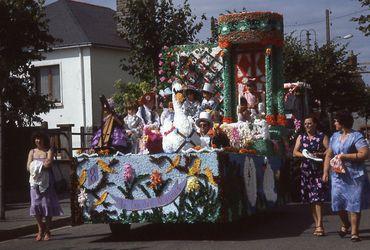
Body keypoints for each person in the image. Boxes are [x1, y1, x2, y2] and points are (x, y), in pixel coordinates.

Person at [323, 111, 370, 242]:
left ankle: (355, 232)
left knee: (354, 203)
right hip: (338, 175)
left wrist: (345, 156)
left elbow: (365, 154)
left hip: (354, 175)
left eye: (336, 121)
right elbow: (329, 154)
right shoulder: (334, 136)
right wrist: (325, 172)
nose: (334, 123)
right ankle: (345, 223)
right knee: (337, 202)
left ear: (342, 123)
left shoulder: (356, 136)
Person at [293, 116, 329, 236]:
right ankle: (317, 223)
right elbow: (295, 152)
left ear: (315, 124)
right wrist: (305, 156)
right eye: (305, 124)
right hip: (306, 171)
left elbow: (330, 151)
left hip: (318, 170)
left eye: (309, 123)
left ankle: (319, 225)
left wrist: (320, 154)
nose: (307, 125)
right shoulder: (301, 137)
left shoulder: (321, 136)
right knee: (311, 199)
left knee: (317, 197)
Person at [27, 131, 63, 241]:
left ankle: (47, 230)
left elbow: (48, 164)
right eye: (36, 139)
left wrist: (35, 165)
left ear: (44, 140)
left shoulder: (49, 151)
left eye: (40, 138)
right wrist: (39, 165)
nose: (38, 140)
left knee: (46, 205)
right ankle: (40, 230)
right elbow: (28, 166)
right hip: (34, 182)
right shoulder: (32, 152)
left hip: (47, 183)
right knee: (36, 205)